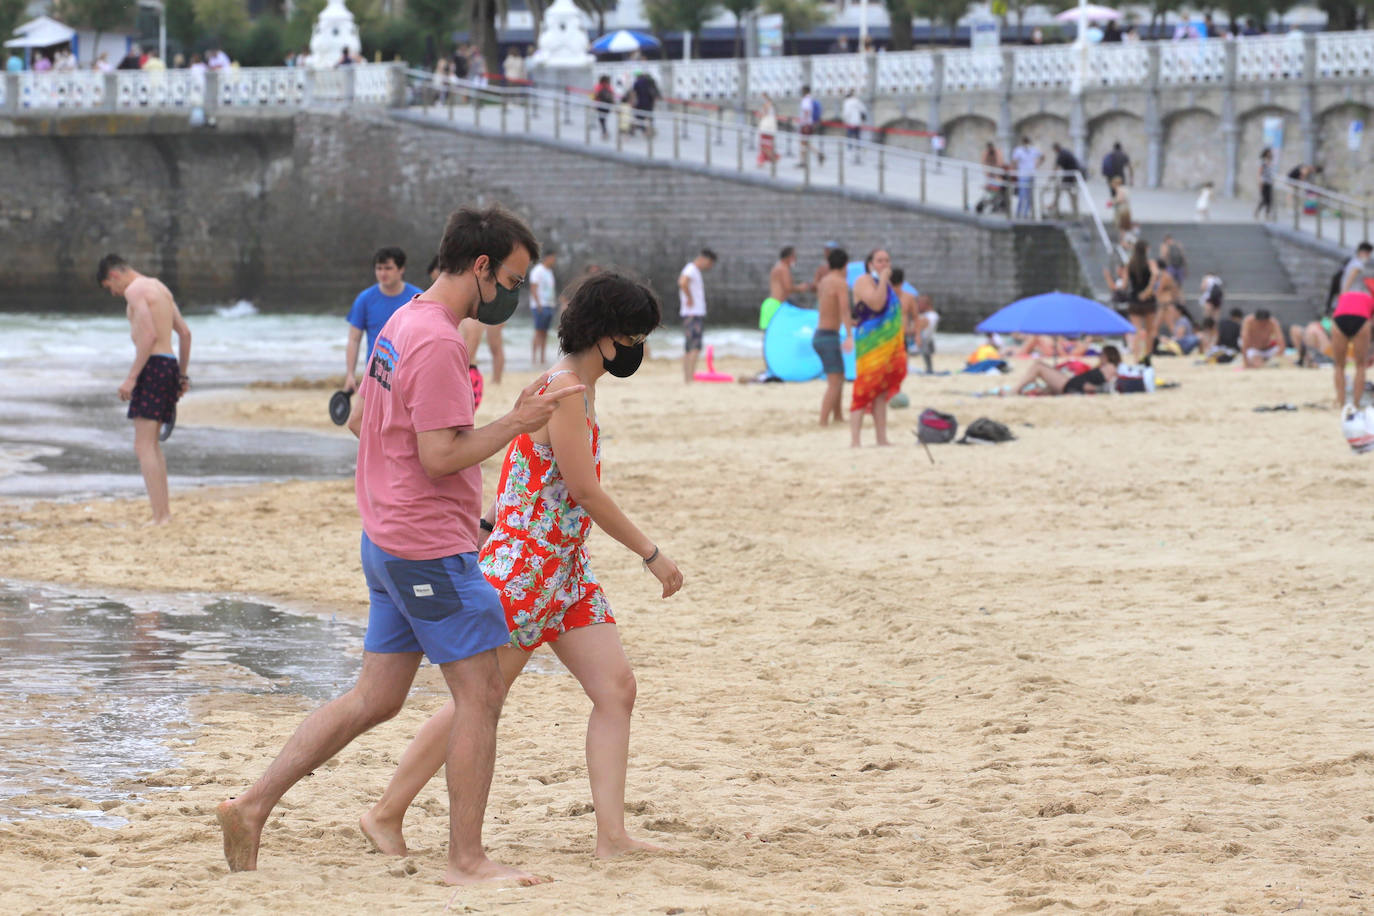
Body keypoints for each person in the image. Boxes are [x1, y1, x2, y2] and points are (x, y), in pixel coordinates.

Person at [215, 205, 583, 885]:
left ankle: (252, 805)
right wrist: (518, 420)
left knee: (376, 698)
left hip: (386, 538)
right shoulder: (439, 340)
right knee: (482, 695)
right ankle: (466, 860)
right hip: (425, 551)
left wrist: (449, 476)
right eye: (511, 280)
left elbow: (365, 420)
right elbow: (440, 456)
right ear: (480, 267)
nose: (512, 294)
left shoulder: (401, 320)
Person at [361, 271, 682, 862]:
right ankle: (385, 813)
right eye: (635, 335)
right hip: (527, 571)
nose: (639, 346)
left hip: (566, 569)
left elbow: (519, 469)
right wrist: (652, 554)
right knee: (477, 701)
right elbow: (584, 491)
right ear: (606, 334)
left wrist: (486, 525)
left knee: (616, 689)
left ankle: (612, 837)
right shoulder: (564, 391)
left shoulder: (569, 387)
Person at [96, 254, 192, 525]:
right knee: (151, 445)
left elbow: (149, 336)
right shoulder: (160, 288)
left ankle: (161, 516)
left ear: (114, 275)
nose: (114, 293)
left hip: (152, 367)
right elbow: (185, 334)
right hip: (169, 364)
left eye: (109, 287)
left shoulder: (135, 290)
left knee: (143, 446)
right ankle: (163, 514)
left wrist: (131, 378)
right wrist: (182, 375)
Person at [344, 248, 423, 394]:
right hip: (377, 375)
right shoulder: (365, 299)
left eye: (388, 268)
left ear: (401, 269)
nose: (383, 273)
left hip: (410, 373)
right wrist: (350, 374)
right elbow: (354, 340)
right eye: (379, 268)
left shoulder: (417, 298)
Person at [849, 249, 907, 446]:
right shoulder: (863, 281)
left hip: (886, 345)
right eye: (880, 261)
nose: (884, 264)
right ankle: (855, 440)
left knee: (881, 391)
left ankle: (881, 438)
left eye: (887, 261)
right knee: (864, 389)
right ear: (870, 264)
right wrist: (882, 280)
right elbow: (876, 304)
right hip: (870, 344)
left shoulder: (886, 284)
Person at [813, 247, 853, 426]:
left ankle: (838, 416)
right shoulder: (840, 283)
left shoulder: (824, 281)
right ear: (845, 265)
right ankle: (823, 421)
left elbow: (830, 308)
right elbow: (844, 309)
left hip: (820, 334)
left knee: (839, 376)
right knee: (835, 382)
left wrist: (851, 322)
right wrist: (849, 335)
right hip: (829, 336)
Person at [1013, 345, 1121, 395]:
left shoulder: (1110, 367)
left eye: (1101, 354)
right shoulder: (1106, 368)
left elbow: (1106, 385)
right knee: (1043, 383)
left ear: (1107, 355)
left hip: (1070, 386)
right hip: (1072, 384)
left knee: (1038, 365)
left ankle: (1014, 391)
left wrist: (1093, 388)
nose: (1099, 357)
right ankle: (1019, 390)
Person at [1330, 283, 1373, 407]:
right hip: (1361, 319)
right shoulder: (1370, 299)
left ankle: (1341, 401)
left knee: (1339, 365)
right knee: (1360, 365)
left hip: (1340, 318)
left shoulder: (1345, 295)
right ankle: (1356, 403)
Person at [678, 249, 716, 383]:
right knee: (695, 347)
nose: (709, 267)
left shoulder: (693, 270)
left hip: (691, 314)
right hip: (693, 314)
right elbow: (682, 282)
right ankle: (689, 378)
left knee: (689, 347)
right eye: (710, 264)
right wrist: (689, 298)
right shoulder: (691, 269)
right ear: (705, 259)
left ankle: (688, 378)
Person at [1126, 239, 1160, 363]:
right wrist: (1147, 291)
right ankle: (1147, 357)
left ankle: (1136, 358)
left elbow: (1125, 284)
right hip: (1148, 301)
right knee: (1150, 331)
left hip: (1134, 300)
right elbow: (1155, 275)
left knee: (1136, 331)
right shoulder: (1150, 263)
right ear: (1146, 249)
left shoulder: (1130, 264)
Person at [528, 251, 558, 367]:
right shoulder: (538, 270)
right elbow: (533, 287)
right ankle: (534, 358)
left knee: (545, 332)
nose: (554, 261)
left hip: (549, 304)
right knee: (538, 331)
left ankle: (542, 358)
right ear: (547, 258)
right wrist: (538, 304)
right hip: (540, 305)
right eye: (552, 258)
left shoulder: (549, 271)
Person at [1010, 135, 1041, 219]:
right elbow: (1014, 161)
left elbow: (1042, 156)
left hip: (1031, 175)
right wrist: (1016, 170)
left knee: (1028, 195)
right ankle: (1019, 212)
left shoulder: (1033, 150)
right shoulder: (1019, 151)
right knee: (1022, 195)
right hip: (1023, 175)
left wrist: (1037, 165)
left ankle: (1025, 213)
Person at [1050, 142, 1082, 217]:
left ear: (1056, 149)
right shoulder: (1065, 152)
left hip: (1070, 177)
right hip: (1071, 176)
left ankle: (1055, 209)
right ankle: (1075, 213)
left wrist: (1052, 176)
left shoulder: (1062, 154)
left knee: (1060, 190)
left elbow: (1056, 167)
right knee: (1068, 193)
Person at [798, 85, 824, 167]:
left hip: (805, 124)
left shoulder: (806, 100)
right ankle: (818, 154)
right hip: (808, 123)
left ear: (804, 91)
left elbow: (806, 111)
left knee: (803, 142)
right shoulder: (810, 99)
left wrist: (805, 124)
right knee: (805, 142)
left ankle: (803, 161)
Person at [628, 70, 659, 137]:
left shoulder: (637, 83)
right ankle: (650, 131)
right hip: (650, 103)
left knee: (639, 117)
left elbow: (634, 93)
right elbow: (654, 92)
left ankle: (642, 131)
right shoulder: (650, 82)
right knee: (649, 117)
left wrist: (632, 103)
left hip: (640, 103)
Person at [841, 89, 867, 161]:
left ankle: (850, 152)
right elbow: (864, 110)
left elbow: (846, 113)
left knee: (849, 137)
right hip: (858, 122)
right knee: (857, 137)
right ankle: (858, 152)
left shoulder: (847, 102)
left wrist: (845, 121)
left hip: (850, 123)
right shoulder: (857, 101)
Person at [757, 93, 779, 167]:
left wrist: (760, 114)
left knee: (764, 145)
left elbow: (764, 114)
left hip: (766, 127)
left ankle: (772, 158)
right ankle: (763, 160)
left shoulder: (766, 104)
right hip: (771, 126)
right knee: (768, 144)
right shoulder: (772, 105)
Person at [1110, 176, 1133, 242]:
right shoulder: (1125, 188)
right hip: (1126, 208)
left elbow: (1120, 199)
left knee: (1121, 226)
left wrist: (1112, 202)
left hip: (1121, 210)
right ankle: (1124, 240)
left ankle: (1122, 240)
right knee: (1125, 226)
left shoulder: (1119, 189)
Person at [1255, 148, 1276, 221]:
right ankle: (1257, 211)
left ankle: (1267, 214)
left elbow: (1272, 172)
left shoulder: (1271, 162)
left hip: (1270, 182)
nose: (1269, 154)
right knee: (1264, 199)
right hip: (1263, 182)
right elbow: (1259, 173)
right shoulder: (1263, 162)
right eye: (1268, 152)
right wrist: (1260, 182)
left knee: (1269, 200)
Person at [593, 75, 615, 139]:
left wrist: (594, 104)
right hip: (607, 106)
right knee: (604, 119)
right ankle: (605, 132)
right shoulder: (609, 86)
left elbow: (595, 95)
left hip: (600, 105)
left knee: (601, 119)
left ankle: (605, 132)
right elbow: (612, 96)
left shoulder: (599, 86)